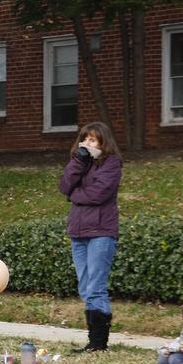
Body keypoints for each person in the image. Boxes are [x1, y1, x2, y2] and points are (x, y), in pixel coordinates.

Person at [58, 121, 122, 352]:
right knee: (85, 287)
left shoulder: (112, 164)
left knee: (95, 286)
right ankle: (93, 341)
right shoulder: (79, 162)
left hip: (101, 233)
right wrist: (79, 161)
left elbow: (98, 194)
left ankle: (98, 342)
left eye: (93, 140)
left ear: (103, 143)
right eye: (84, 139)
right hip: (78, 232)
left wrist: (75, 194)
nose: (87, 143)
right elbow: (65, 185)